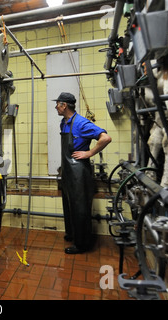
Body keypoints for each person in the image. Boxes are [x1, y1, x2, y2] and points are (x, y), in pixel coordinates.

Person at [54, 92, 112, 254]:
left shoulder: (81, 123)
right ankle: (73, 234)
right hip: (67, 170)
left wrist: (89, 153)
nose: (55, 107)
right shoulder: (63, 123)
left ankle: (82, 244)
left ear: (64, 106)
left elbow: (105, 138)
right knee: (69, 203)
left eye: (57, 104)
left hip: (79, 172)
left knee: (80, 207)